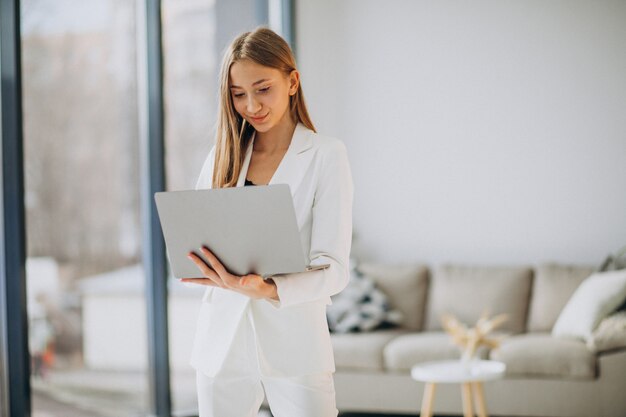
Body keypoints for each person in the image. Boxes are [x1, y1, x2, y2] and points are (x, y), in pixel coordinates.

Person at [182, 27, 353, 417]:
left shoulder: (327, 155)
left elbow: (335, 270)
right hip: (221, 343)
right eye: (238, 94)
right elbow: (195, 235)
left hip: (296, 340)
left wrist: (269, 289)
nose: (251, 106)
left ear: (292, 82)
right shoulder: (222, 156)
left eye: (263, 89)